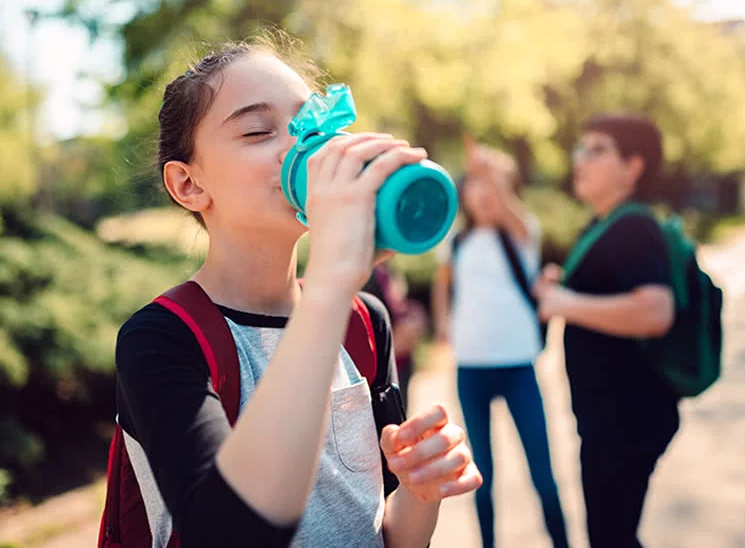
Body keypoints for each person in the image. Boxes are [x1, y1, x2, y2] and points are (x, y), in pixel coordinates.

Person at [114, 36, 482, 548]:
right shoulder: (162, 339)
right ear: (189, 184)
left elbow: (387, 533)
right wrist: (331, 283)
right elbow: (234, 533)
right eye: (259, 130)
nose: (305, 149)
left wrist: (421, 492)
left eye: (313, 125)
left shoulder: (362, 320)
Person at [533, 114, 677, 548]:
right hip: (606, 419)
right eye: (582, 148)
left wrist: (564, 303)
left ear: (633, 167)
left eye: (597, 149)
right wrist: (564, 288)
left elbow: (656, 311)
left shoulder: (635, 226)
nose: (581, 159)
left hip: (626, 421)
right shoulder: (604, 225)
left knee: (611, 537)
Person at [432, 136, 569, 548]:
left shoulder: (522, 234)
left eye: (494, 184)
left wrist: (488, 170)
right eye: (476, 184)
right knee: (482, 478)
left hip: (517, 368)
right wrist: (444, 325)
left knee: (542, 475)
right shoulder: (455, 242)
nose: (485, 192)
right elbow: (443, 287)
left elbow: (506, 204)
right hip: (471, 369)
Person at [362, 264, 428, 413]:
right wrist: (393, 344)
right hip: (381, 375)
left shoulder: (385, 270)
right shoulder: (366, 274)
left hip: (399, 366)